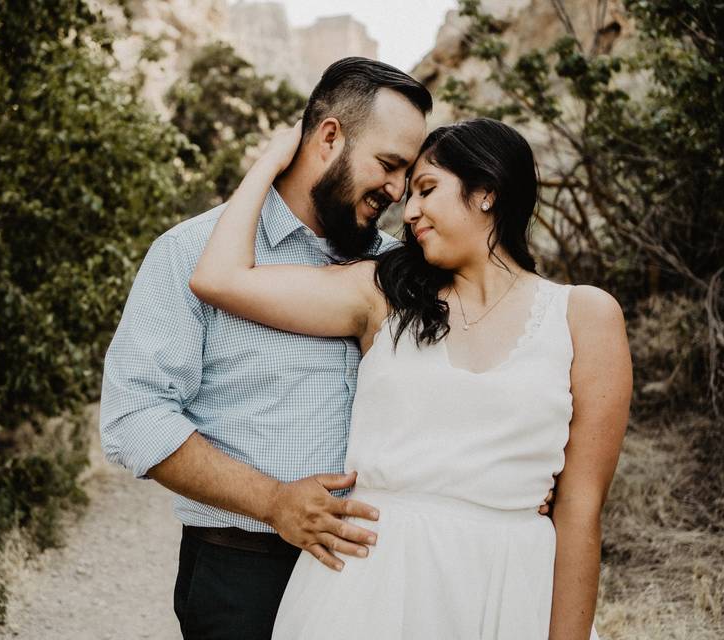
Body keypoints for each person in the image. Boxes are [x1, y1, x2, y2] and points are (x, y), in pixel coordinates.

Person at [189, 117, 632, 639]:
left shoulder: (584, 316)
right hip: (371, 587)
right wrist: (271, 160)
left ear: (487, 191)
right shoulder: (383, 292)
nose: (410, 209)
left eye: (427, 189)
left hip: (509, 588)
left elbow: (580, 510)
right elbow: (216, 279)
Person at [99, 57, 434, 639]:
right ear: (329, 137)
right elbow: (135, 417)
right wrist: (274, 501)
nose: (399, 192)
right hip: (242, 574)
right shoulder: (189, 252)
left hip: (377, 569)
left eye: (409, 174)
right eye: (389, 165)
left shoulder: (397, 270)